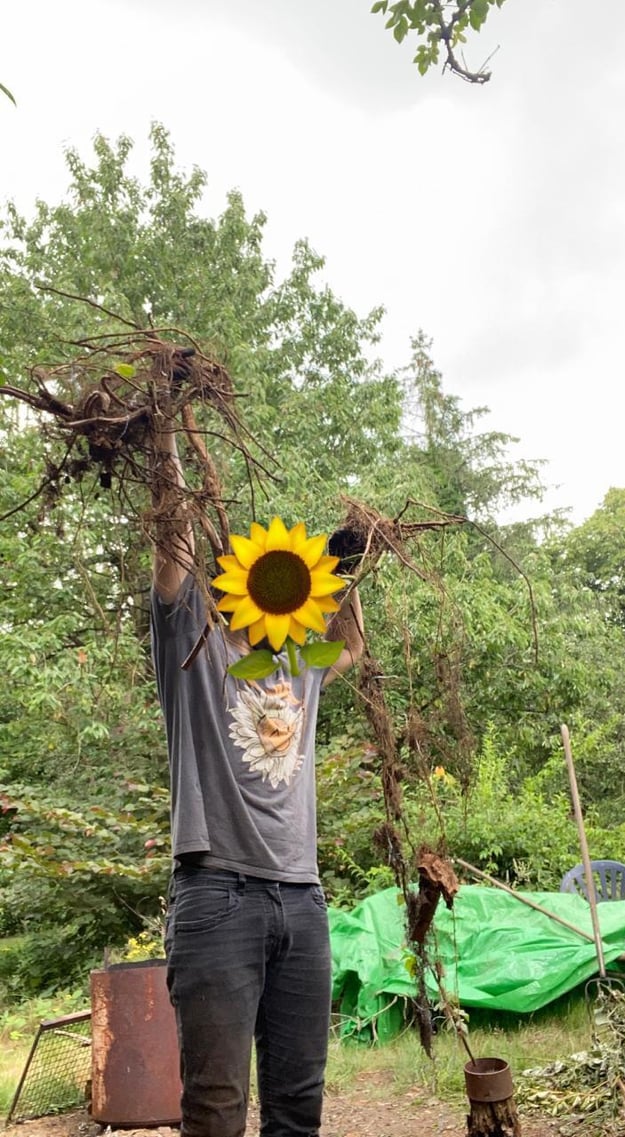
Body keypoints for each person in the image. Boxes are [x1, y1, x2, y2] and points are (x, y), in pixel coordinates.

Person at [149, 422, 364, 1137]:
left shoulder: (299, 665)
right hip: (218, 892)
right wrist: (165, 429)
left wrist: (346, 562)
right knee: (215, 1112)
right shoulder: (195, 645)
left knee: (299, 1106)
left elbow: (351, 645)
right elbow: (174, 550)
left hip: (303, 898)